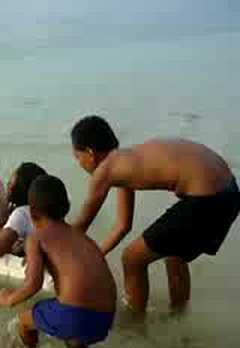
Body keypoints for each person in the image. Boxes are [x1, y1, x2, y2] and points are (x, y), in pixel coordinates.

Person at [70, 115, 240, 314]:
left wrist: (47, 247)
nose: (79, 164)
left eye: (77, 157)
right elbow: (123, 225)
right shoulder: (124, 161)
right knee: (174, 253)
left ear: (90, 153)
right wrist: (97, 255)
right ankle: (179, 316)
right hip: (229, 192)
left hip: (206, 198)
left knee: (131, 259)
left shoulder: (105, 171)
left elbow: (80, 228)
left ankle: (135, 322)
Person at [0, 175, 116, 348]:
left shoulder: (36, 238)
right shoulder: (82, 237)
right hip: (105, 318)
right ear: (65, 207)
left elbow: (33, 284)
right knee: (74, 338)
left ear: (32, 212)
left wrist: (9, 299)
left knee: (23, 321)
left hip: (73, 315)